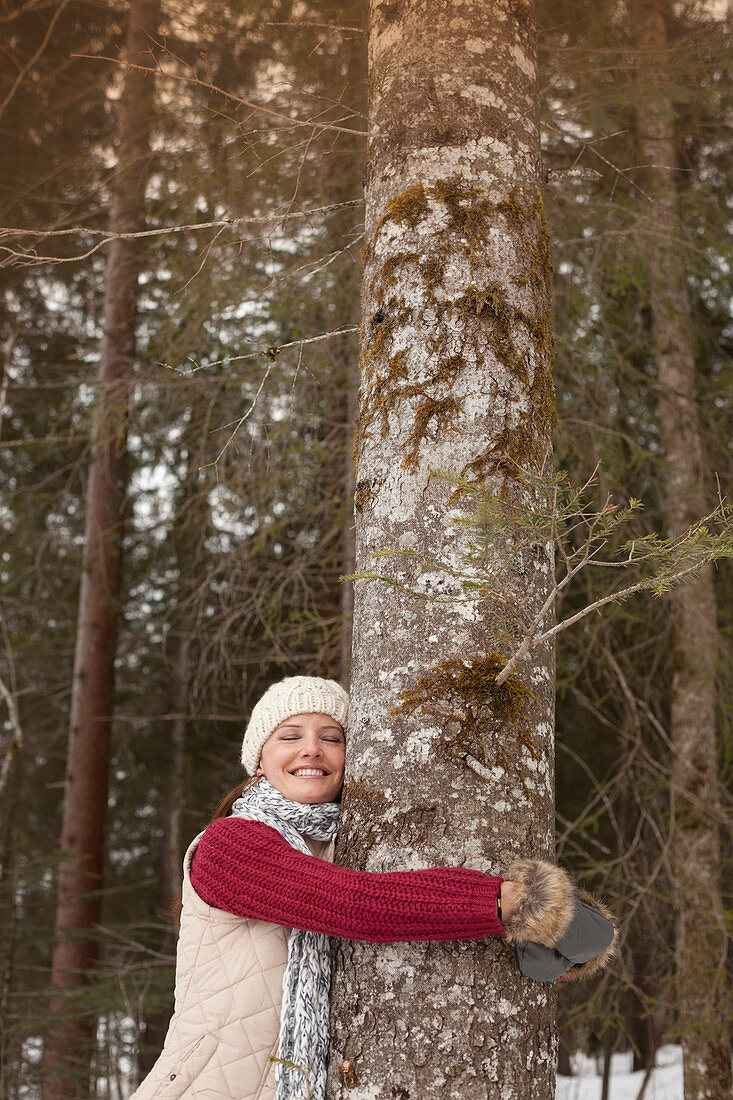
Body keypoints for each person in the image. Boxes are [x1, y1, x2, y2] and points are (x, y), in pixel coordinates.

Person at [132, 676, 616, 1100]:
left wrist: (563, 935)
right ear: (258, 760)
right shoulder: (231, 844)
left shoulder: (349, 843)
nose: (311, 749)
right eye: (290, 736)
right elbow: (348, 901)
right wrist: (503, 901)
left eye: (332, 737)